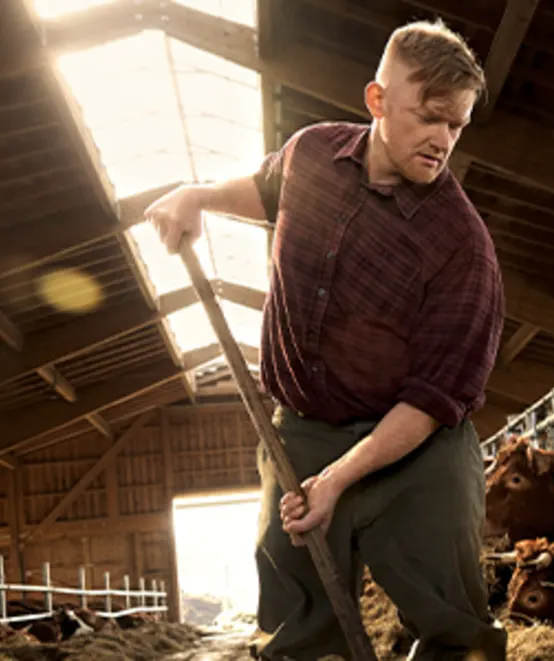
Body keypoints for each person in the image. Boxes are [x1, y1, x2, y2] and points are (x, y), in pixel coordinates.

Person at [143, 18, 508, 661]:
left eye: (456, 125)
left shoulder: (462, 247)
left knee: (449, 612)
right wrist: (197, 195)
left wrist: (338, 479)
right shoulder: (312, 154)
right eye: (429, 117)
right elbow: (268, 189)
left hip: (417, 443)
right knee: (298, 610)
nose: (442, 139)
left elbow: (432, 399)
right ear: (377, 99)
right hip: (303, 427)